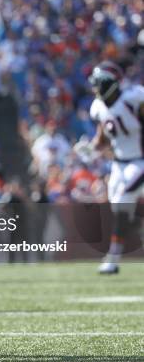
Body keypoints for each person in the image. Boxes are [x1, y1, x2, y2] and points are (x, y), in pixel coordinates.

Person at [74, 60, 144, 274]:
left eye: (98, 83)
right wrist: (92, 149)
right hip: (119, 164)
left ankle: (113, 258)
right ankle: (114, 257)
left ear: (108, 83)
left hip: (140, 161)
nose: (95, 88)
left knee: (124, 200)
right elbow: (104, 135)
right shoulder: (99, 107)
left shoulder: (134, 99)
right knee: (119, 208)